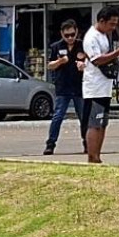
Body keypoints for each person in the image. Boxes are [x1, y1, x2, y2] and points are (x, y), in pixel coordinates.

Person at [80, 6, 119, 163]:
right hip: (94, 87)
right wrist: (117, 53)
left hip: (105, 85)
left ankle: (98, 155)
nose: (113, 28)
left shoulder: (104, 35)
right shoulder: (91, 37)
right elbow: (97, 60)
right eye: (111, 24)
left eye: (115, 24)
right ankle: (92, 156)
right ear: (102, 21)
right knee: (94, 123)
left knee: (103, 123)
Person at [43, 19, 89, 156]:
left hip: (79, 86)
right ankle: (50, 144)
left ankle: (87, 143)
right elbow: (49, 65)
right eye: (67, 35)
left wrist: (84, 66)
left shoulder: (82, 45)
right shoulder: (56, 46)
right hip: (63, 86)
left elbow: (91, 62)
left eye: (72, 34)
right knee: (58, 116)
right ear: (62, 34)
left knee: (84, 117)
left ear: (77, 32)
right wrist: (60, 61)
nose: (70, 38)